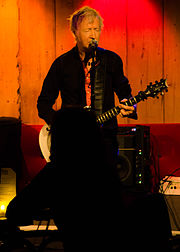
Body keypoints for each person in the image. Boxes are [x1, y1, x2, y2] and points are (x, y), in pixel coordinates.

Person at [37, 6, 137, 176]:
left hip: (104, 139)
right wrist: (62, 127)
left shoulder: (111, 60)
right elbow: (43, 104)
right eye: (88, 30)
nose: (93, 35)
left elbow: (125, 94)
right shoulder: (62, 64)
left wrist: (130, 107)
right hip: (70, 144)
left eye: (96, 29)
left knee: (105, 190)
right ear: (75, 33)